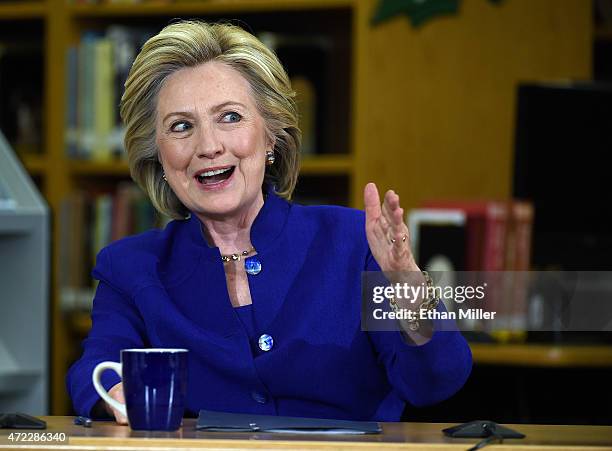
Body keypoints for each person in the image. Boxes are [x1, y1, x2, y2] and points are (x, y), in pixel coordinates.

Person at [67, 20, 471, 424]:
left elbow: (435, 382)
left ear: (271, 136)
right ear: (157, 155)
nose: (208, 146)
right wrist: (119, 396)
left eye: (229, 117)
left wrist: (409, 286)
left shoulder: (355, 244)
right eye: (181, 126)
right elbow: (94, 371)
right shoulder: (131, 268)